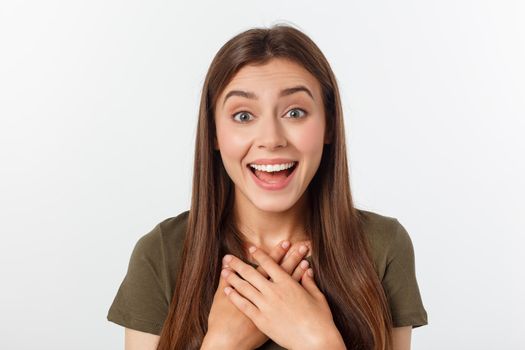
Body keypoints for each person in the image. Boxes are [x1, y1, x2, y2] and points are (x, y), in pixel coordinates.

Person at [107, 24, 428, 350]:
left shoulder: (382, 246)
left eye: (295, 112)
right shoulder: (162, 254)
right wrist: (221, 344)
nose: (272, 139)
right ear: (214, 133)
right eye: (244, 116)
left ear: (328, 125)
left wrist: (320, 342)